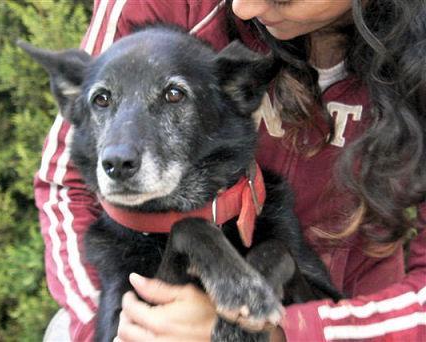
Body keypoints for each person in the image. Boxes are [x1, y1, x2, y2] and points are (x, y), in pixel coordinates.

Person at [34, 0, 426, 341]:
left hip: (346, 318)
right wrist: (114, 325)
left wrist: (284, 332)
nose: (242, 9)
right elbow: (66, 183)